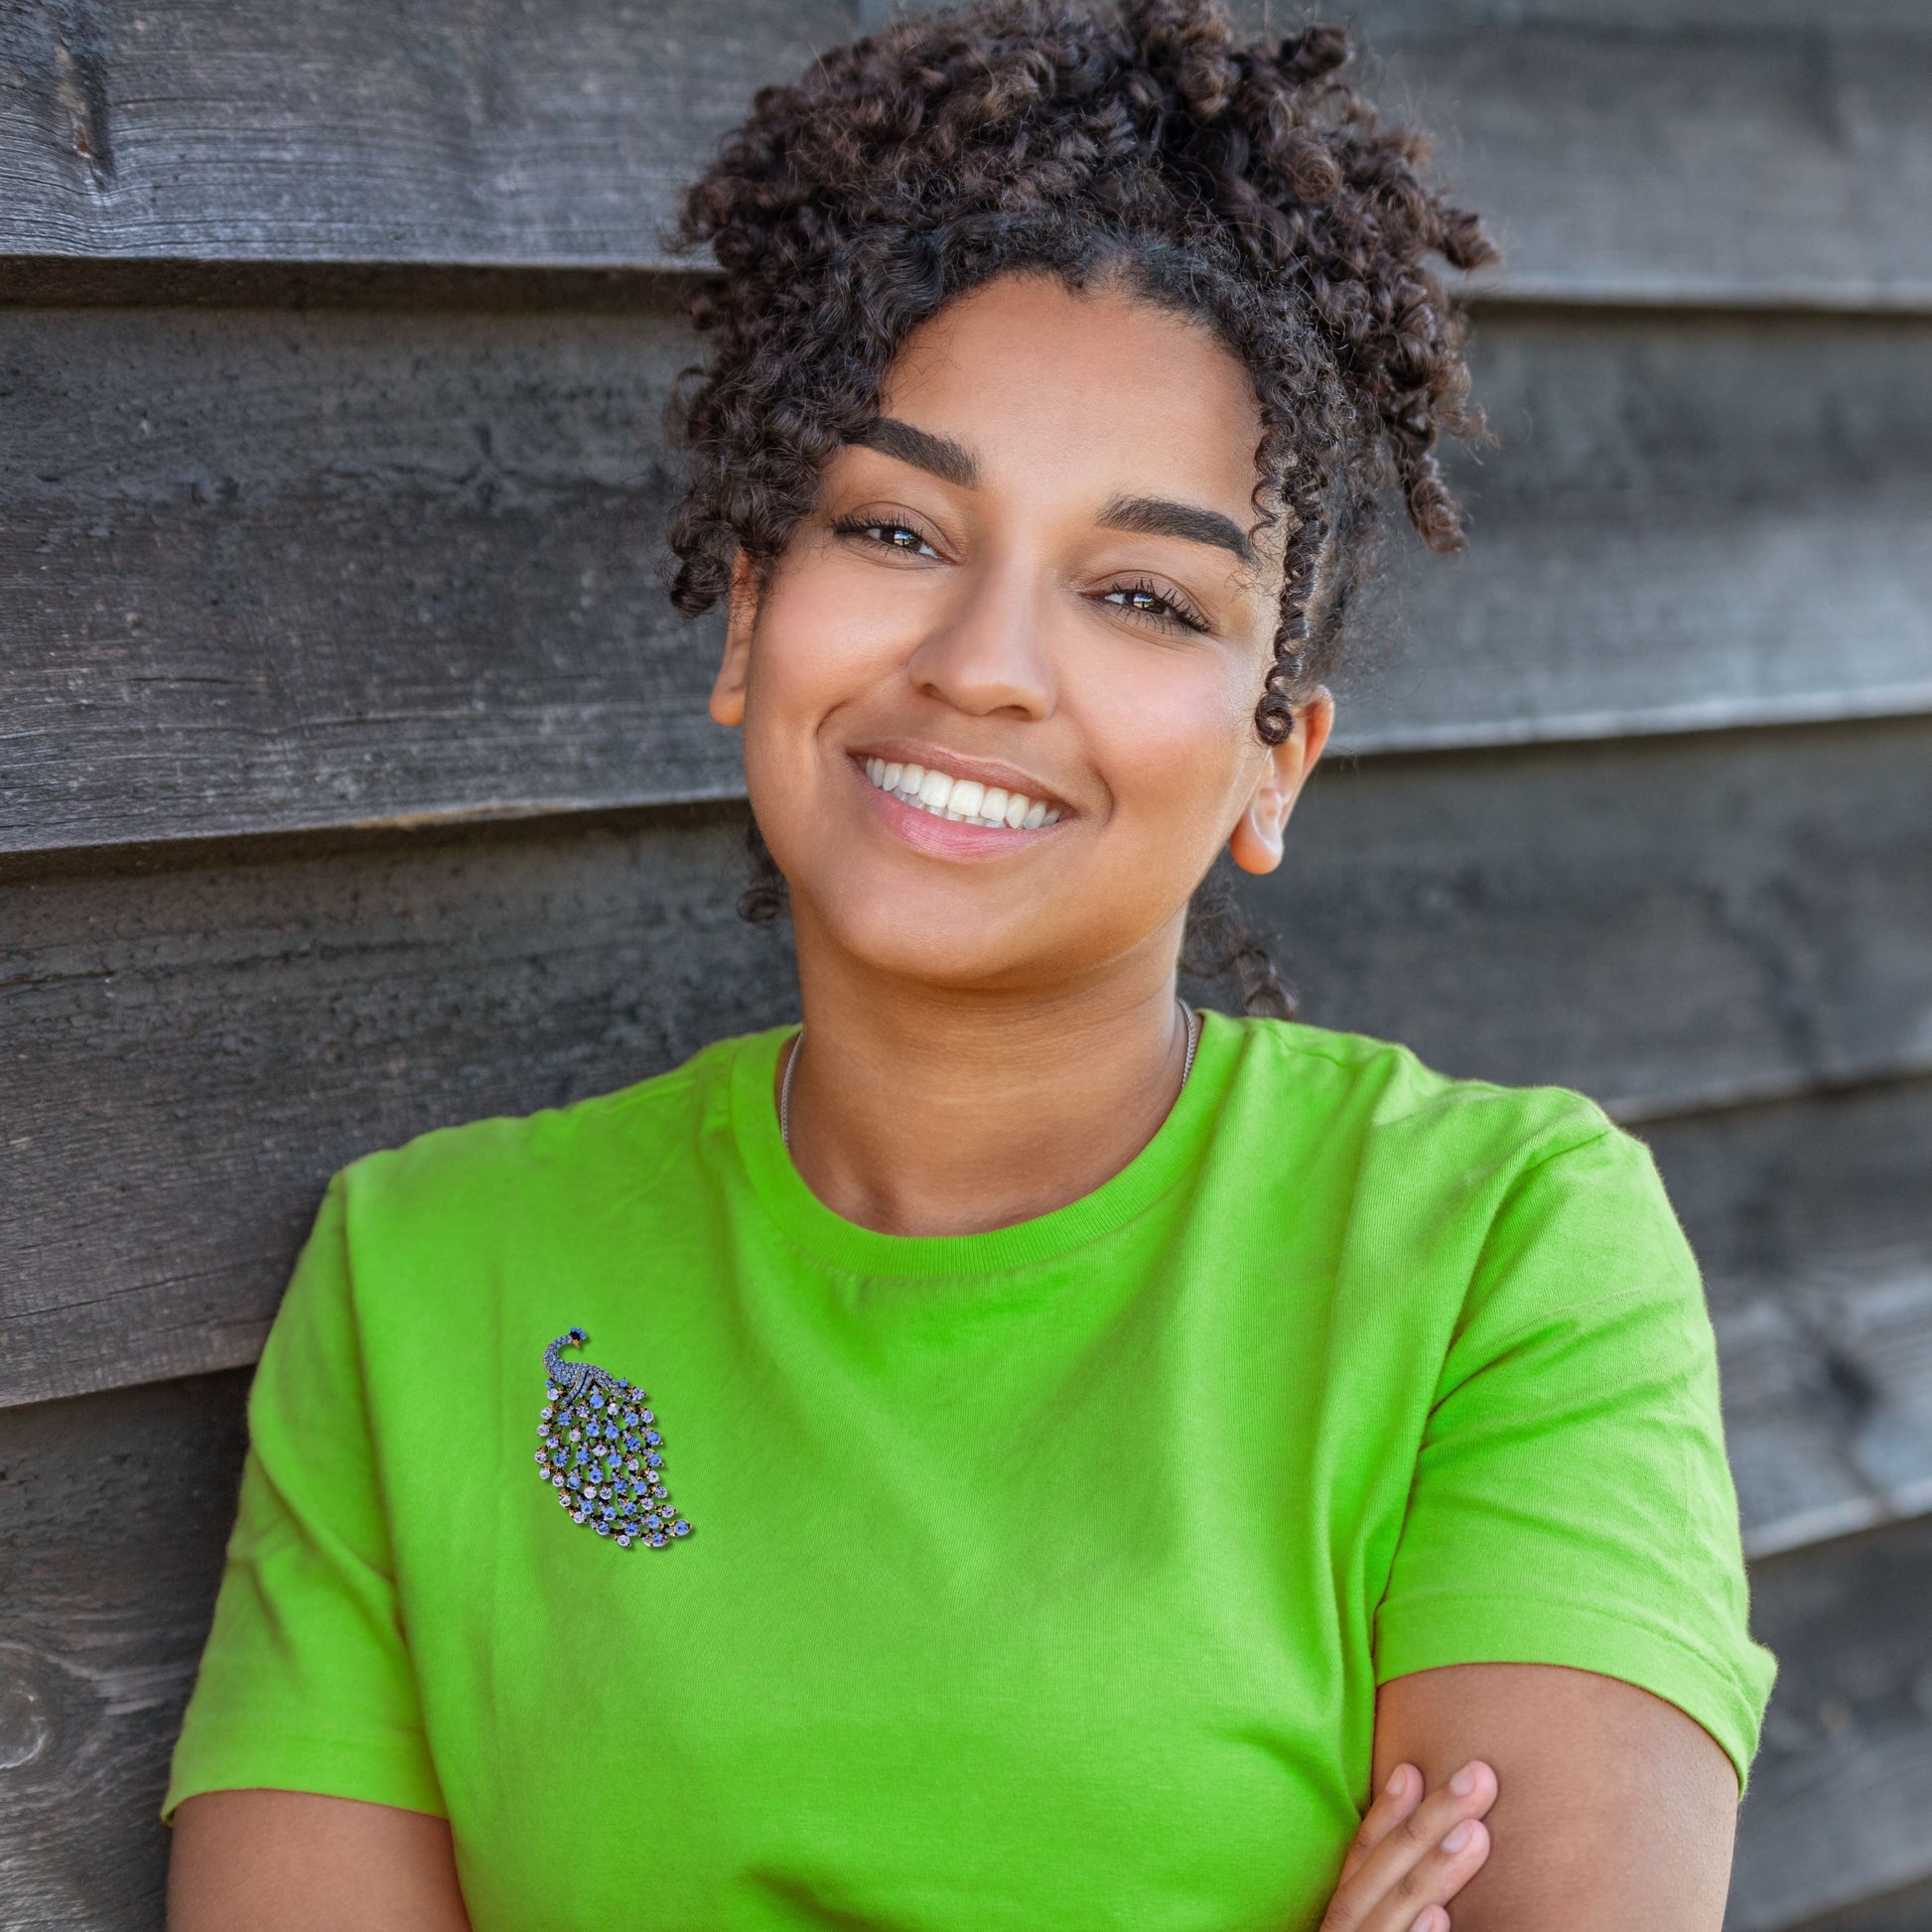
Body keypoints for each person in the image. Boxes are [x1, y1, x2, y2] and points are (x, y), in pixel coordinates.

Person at [165, 2, 1776, 1927]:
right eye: (895, 524)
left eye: (1138, 593)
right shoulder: (426, 1283)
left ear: (1278, 756)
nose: (984, 660)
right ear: (753, 617)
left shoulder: (1494, 1259)